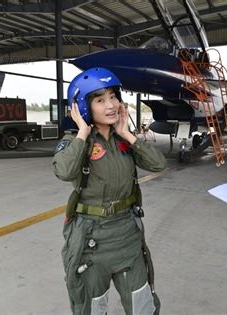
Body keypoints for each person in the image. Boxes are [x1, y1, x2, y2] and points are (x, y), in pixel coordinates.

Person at [52, 67, 167, 315]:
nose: (111, 105)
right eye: (101, 100)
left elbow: (159, 164)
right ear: (83, 106)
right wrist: (83, 132)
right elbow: (63, 171)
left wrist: (126, 133)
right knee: (91, 308)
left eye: (113, 97)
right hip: (91, 238)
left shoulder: (122, 139)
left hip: (127, 233)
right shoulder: (75, 141)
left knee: (143, 307)